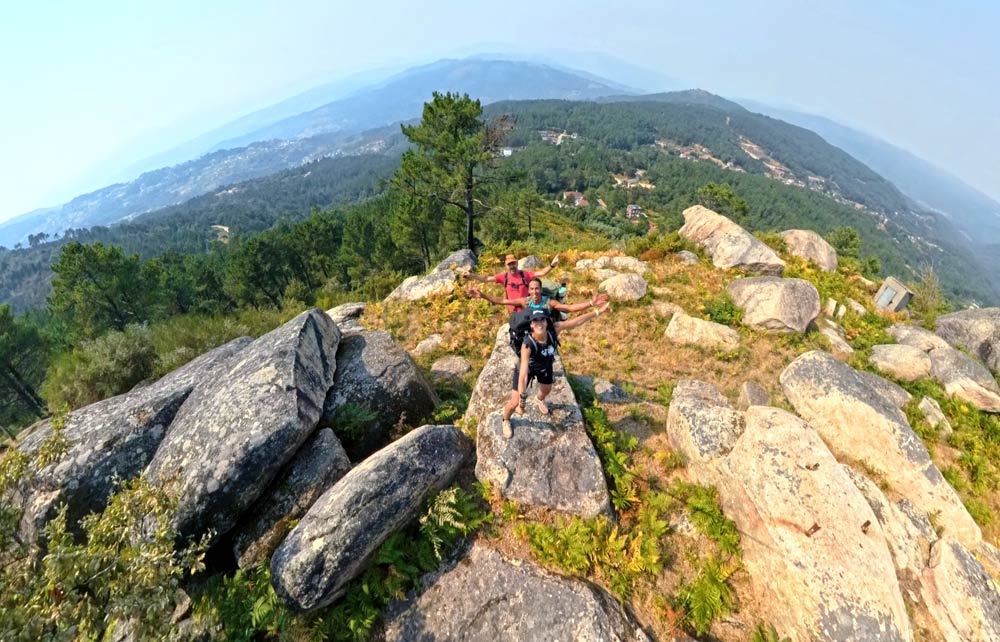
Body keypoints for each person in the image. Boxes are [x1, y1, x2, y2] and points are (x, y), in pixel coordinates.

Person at [501, 303, 612, 439]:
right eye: (535, 320)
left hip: (545, 366)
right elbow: (523, 374)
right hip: (529, 369)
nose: (539, 323)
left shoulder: (554, 330)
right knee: (514, 402)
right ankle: (505, 420)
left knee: (546, 389)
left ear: (547, 322)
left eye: (542, 319)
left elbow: (576, 322)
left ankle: (539, 399)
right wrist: (522, 402)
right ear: (531, 325)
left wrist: (598, 311)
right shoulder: (527, 344)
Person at [458, 253, 559, 311]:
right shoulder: (504, 277)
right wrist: (471, 275)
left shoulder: (525, 275)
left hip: (526, 308)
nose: (512, 266)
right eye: (509, 264)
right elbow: (486, 279)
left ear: (517, 263)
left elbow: (541, 273)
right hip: (512, 311)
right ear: (506, 266)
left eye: (513, 263)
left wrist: (552, 265)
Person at [468, 277, 608, 317]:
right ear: (528, 291)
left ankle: (562, 288)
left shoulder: (549, 302)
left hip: (546, 333)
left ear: (541, 290)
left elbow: (569, 308)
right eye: (532, 289)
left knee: (562, 319)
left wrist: (591, 303)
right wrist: (483, 295)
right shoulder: (524, 301)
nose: (535, 292)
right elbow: (503, 301)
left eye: (537, 289)